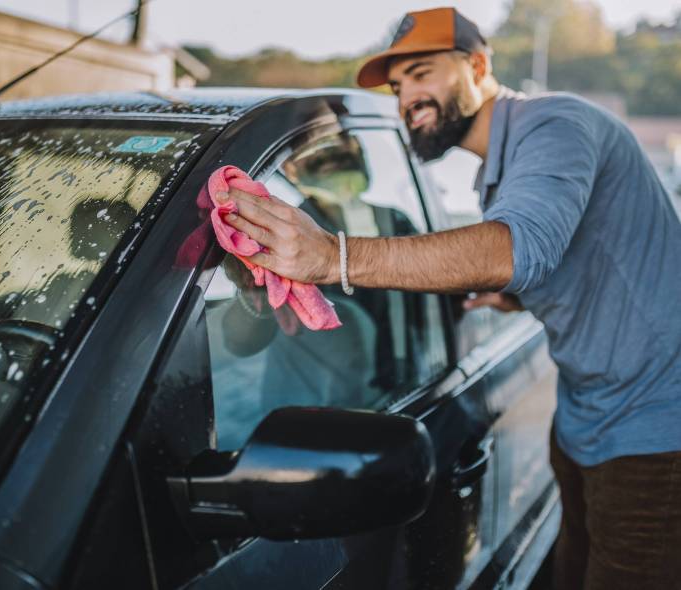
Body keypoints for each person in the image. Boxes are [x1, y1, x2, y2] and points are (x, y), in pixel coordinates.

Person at [215, 7, 681, 590]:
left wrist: (330, 256)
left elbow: (516, 250)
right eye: (399, 84)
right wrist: (519, 300)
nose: (408, 96)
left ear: (478, 65)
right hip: (584, 419)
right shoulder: (505, 168)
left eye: (423, 72)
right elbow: (578, 261)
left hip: (654, 434)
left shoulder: (554, 124)